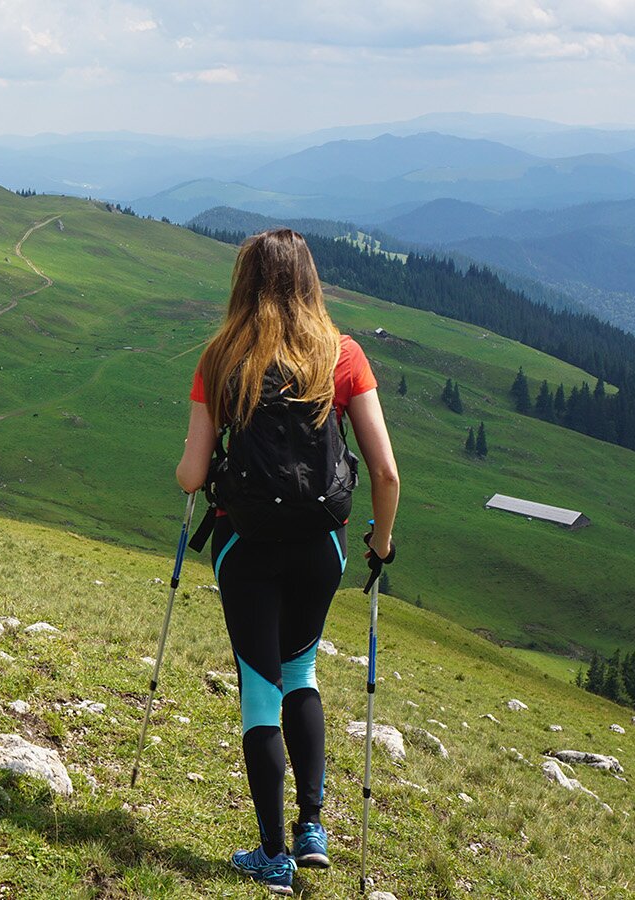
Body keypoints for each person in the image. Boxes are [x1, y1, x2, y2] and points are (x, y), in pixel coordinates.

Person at [174, 228, 400, 895]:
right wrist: (380, 544)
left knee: (260, 692)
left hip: (247, 548)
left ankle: (272, 858)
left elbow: (191, 476)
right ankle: (312, 832)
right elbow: (385, 473)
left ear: (245, 282)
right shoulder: (344, 354)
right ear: (309, 282)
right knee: (301, 670)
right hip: (321, 549)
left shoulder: (221, 358)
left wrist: (201, 466)